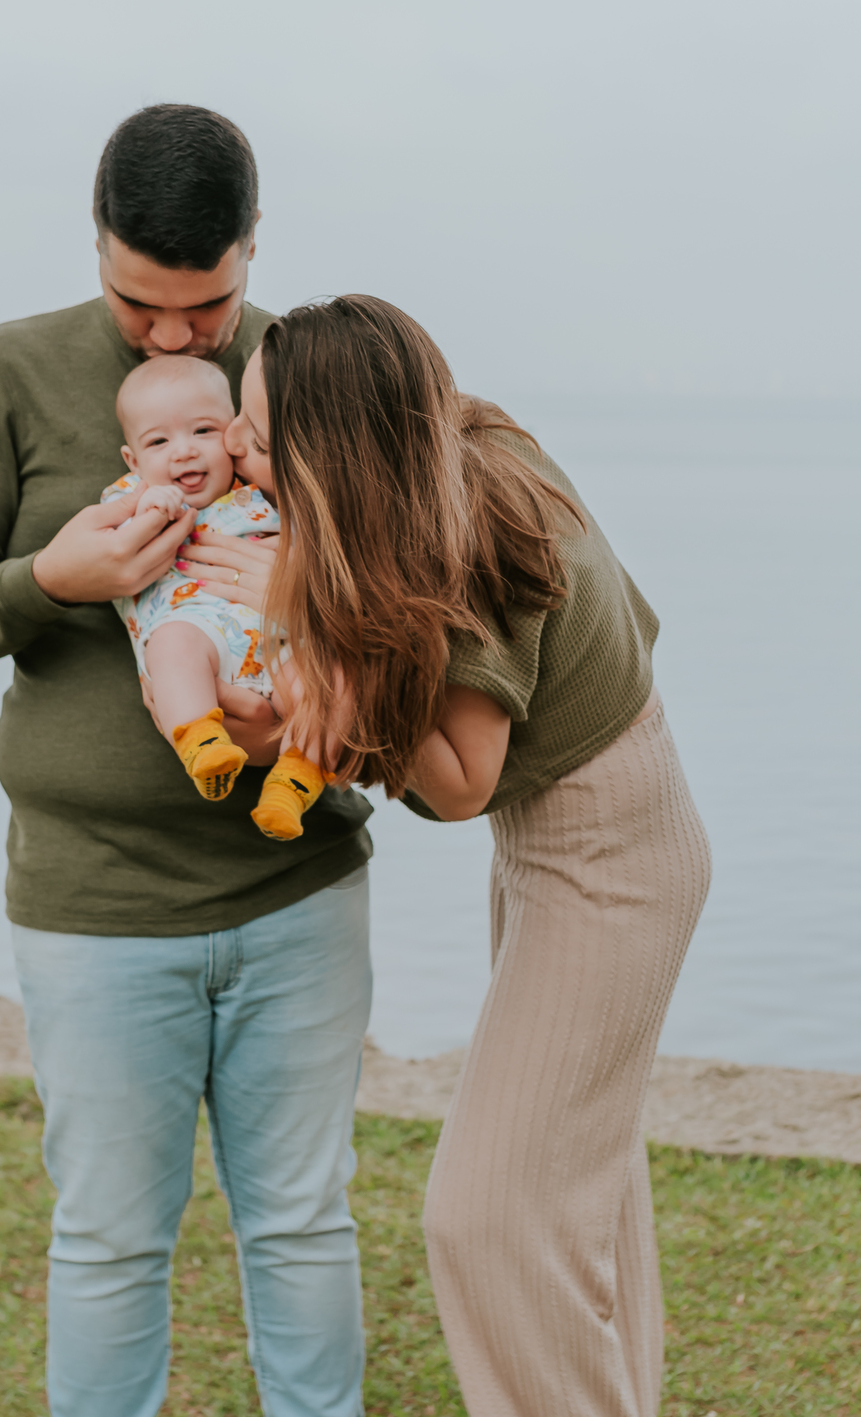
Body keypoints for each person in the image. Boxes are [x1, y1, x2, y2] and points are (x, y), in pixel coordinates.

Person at [0, 106, 373, 1417]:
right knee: (110, 1235)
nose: (173, 337)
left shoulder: (307, 365)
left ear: (253, 248)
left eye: (207, 309)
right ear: (95, 247)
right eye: (138, 304)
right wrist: (56, 577)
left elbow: (394, 582)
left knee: (303, 1220)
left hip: (299, 889)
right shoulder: (8, 370)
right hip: (95, 905)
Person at [214, 296, 713, 1417]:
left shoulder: (466, 528)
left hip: (605, 856)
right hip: (587, 833)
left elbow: (458, 778)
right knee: (584, 1189)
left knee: (485, 1215)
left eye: (256, 434)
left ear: (333, 448)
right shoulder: (455, 444)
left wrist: (301, 650)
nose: (237, 449)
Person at [100, 352, 330, 835]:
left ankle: (295, 781)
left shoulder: (261, 495)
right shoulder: (134, 497)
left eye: (203, 431)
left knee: (336, 681)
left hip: (285, 643)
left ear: (234, 435)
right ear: (133, 459)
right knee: (173, 643)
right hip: (201, 640)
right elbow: (110, 544)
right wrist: (150, 505)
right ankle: (201, 742)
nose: (183, 451)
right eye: (159, 441)